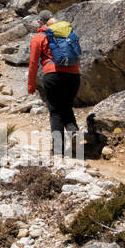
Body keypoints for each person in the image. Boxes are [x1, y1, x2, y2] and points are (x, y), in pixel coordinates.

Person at [26, 15, 82, 159]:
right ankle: (73, 131)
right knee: (66, 106)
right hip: (74, 75)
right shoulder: (69, 34)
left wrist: (31, 84)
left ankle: (58, 150)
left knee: (55, 110)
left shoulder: (40, 37)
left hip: (53, 75)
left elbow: (33, 63)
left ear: (42, 23)